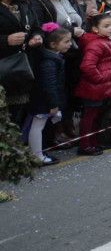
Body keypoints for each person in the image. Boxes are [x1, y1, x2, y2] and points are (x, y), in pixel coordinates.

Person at [75, 13, 111, 155]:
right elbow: (87, 66)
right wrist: (100, 79)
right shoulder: (96, 44)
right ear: (95, 29)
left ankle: (94, 142)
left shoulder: (107, 41)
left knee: (96, 116)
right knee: (90, 117)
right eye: (106, 26)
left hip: (103, 87)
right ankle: (85, 145)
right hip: (94, 88)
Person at [31, 28, 72, 164]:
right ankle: (37, 155)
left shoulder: (53, 57)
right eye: (66, 41)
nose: (70, 44)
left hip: (45, 99)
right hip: (44, 100)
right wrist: (53, 104)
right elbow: (50, 84)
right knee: (38, 126)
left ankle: (39, 152)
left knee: (40, 126)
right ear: (53, 44)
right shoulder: (49, 61)